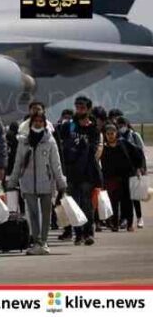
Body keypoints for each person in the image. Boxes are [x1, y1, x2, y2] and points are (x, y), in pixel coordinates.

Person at [8, 112, 67, 255]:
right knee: (33, 214)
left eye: (41, 121)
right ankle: (36, 242)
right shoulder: (23, 141)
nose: (38, 123)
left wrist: (61, 183)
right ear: (30, 123)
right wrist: (13, 181)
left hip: (46, 182)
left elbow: (56, 164)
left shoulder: (50, 141)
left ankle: (44, 242)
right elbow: (18, 163)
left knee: (46, 214)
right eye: (35, 121)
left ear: (45, 123)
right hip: (27, 183)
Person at [57, 96, 102, 246]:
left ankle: (89, 233)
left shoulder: (94, 129)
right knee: (74, 204)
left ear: (88, 109)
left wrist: (85, 147)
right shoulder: (68, 126)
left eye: (82, 107)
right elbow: (60, 146)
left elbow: (95, 150)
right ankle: (78, 234)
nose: (79, 110)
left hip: (87, 172)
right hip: (71, 171)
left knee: (86, 204)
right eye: (77, 107)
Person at [101, 123, 143, 232]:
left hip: (126, 177)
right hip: (112, 178)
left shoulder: (124, 144)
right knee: (113, 202)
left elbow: (138, 153)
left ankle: (129, 224)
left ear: (116, 133)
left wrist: (138, 169)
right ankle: (115, 224)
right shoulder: (104, 147)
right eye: (108, 133)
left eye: (112, 133)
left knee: (127, 202)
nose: (110, 136)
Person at [117, 116, 147, 228]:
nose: (121, 127)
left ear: (127, 124)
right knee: (124, 196)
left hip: (134, 169)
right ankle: (125, 218)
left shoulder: (134, 135)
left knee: (135, 196)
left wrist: (141, 168)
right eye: (118, 125)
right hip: (122, 170)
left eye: (122, 125)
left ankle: (139, 218)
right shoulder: (118, 136)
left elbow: (141, 152)